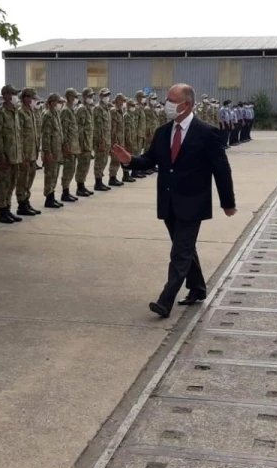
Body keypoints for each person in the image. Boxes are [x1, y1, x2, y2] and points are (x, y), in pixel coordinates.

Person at [112, 83, 236, 318]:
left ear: (186, 104)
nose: (167, 104)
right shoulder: (163, 132)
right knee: (185, 248)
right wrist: (129, 160)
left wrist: (227, 202)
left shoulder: (206, 133)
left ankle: (165, 300)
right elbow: (150, 160)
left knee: (179, 252)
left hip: (193, 202)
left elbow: (222, 170)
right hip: (169, 202)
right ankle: (198, 288)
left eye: (171, 100)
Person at [0, 83, 24, 224]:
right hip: (6, 156)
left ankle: (8, 208)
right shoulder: (0, 112)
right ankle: (2, 211)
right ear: (5, 95)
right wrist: (0, 154)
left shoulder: (15, 112)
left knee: (11, 184)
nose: (15, 97)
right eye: (13, 94)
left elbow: (18, 135)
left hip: (15, 155)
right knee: (3, 184)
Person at [15, 87, 42, 216]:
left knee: (29, 179)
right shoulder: (20, 113)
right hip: (25, 153)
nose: (33, 100)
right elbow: (18, 135)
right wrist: (22, 155)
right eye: (31, 97)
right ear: (25, 98)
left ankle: (26, 201)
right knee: (22, 179)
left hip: (32, 152)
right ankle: (21, 204)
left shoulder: (31, 112)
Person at [39, 93, 65, 209]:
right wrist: (47, 152)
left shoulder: (56, 114)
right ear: (52, 102)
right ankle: (48, 199)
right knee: (50, 175)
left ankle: (52, 197)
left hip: (57, 151)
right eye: (58, 102)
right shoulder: (47, 115)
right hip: (51, 151)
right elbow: (45, 135)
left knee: (54, 174)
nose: (60, 104)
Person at [60, 87, 81, 201]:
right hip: (69, 146)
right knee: (68, 169)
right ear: (69, 97)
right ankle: (65, 192)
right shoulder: (65, 111)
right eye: (74, 96)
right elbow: (64, 129)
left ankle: (67, 191)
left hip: (74, 146)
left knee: (71, 169)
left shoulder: (72, 110)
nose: (76, 99)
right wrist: (65, 145)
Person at [75, 86, 95, 197]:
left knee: (86, 164)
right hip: (83, 143)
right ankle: (79, 187)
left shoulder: (88, 109)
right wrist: (81, 144)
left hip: (88, 142)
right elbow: (80, 128)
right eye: (89, 96)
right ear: (84, 97)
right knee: (82, 165)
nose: (91, 98)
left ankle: (82, 185)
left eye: (92, 96)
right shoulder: (82, 109)